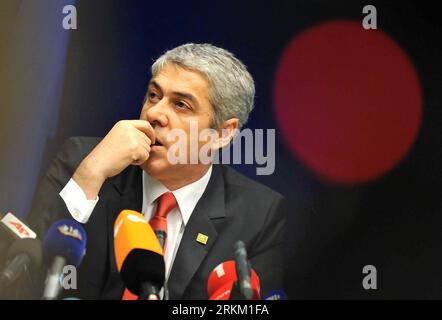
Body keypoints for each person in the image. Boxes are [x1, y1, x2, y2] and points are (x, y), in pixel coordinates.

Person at [27, 43, 287, 299]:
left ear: (222, 134)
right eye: (154, 95)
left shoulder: (259, 215)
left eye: (181, 105)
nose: (154, 113)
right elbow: (23, 274)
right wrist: (91, 175)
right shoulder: (84, 160)